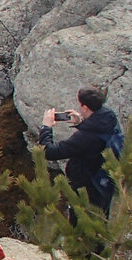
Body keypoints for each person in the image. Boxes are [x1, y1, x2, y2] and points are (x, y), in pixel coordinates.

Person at [39, 85, 121, 216]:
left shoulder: (84, 138)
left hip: (86, 189)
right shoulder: (109, 118)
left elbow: (49, 152)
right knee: (100, 222)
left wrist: (46, 127)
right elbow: (97, 136)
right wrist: (81, 123)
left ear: (85, 107)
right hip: (103, 184)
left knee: (81, 226)